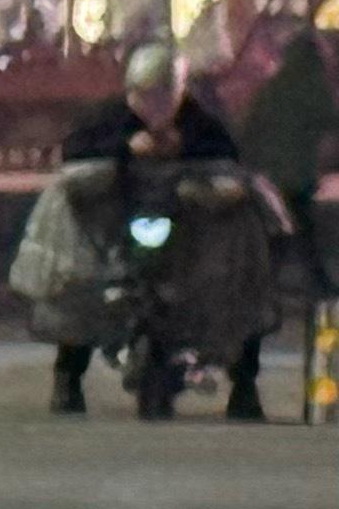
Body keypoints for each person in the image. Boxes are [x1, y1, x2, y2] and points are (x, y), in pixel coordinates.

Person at [44, 40, 257, 419]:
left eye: (164, 96)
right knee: (79, 289)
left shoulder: (201, 123)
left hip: (186, 235)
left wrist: (193, 162)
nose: (154, 106)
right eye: (145, 96)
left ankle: (244, 384)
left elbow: (230, 160)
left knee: (243, 282)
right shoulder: (107, 120)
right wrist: (124, 150)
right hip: (115, 231)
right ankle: (67, 377)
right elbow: (75, 153)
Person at [238, 25, 334, 297]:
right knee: (302, 228)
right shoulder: (314, 86)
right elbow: (328, 119)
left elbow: (250, 127)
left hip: (272, 172)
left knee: (280, 227)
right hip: (298, 172)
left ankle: (265, 283)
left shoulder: (273, 87)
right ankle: (314, 281)